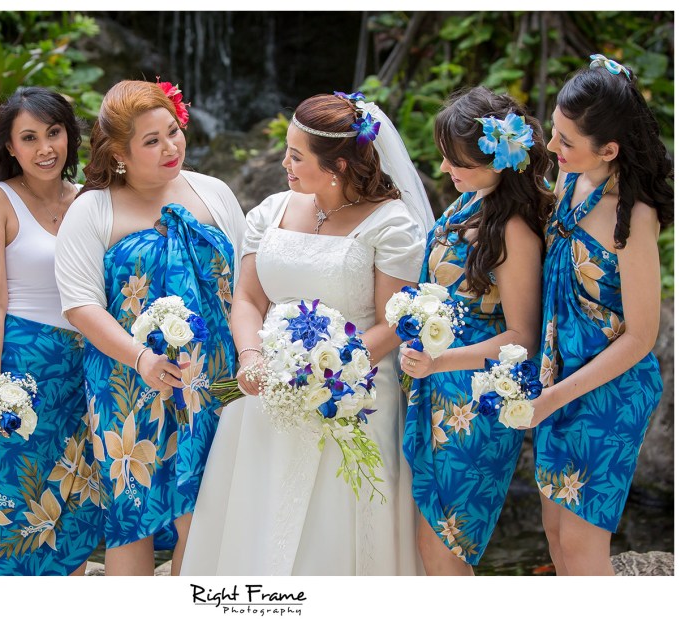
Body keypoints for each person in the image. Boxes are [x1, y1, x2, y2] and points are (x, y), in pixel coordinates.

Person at [181, 91, 434, 576]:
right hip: (266, 392)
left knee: (332, 531)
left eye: (296, 155)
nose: (285, 163)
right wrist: (252, 358)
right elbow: (247, 299)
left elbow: (394, 322)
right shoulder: (271, 211)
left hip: (352, 395)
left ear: (338, 165)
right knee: (255, 522)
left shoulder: (392, 225)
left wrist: (329, 371)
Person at [54, 79, 246, 575]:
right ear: (119, 153)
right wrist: (140, 358)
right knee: (133, 513)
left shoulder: (214, 192)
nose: (171, 147)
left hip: (215, 378)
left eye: (173, 132)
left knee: (206, 510)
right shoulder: (93, 209)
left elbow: (248, 281)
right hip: (128, 380)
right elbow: (80, 306)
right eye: (152, 141)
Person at [522, 55, 673, 575]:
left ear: (609, 149)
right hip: (557, 377)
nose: (552, 147)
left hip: (609, 390)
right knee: (555, 536)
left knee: (582, 547)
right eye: (555, 131)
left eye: (566, 140)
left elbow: (642, 337)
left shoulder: (634, 215)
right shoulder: (571, 180)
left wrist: (553, 397)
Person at [399, 87, 555, 574]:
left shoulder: (513, 229)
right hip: (435, 387)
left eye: (457, 161)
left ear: (498, 161)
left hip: (475, 402)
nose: (445, 168)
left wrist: (439, 361)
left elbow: (523, 337)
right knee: (429, 545)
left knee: (445, 548)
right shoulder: (468, 203)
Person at [0, 86, 101, 575]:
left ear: (69, 135)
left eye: (54, 133)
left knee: (76, 497)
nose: (45, 148)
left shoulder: (90, 198)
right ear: (10, 146)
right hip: (21, 366)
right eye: (29, 137)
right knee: (13, 490)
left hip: (86, 365)